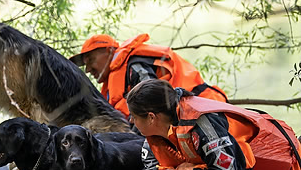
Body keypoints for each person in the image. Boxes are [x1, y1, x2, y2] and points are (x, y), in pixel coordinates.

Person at [126, 79, 301, 170]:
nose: (131, 122)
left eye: (133, 116)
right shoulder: (154, 137)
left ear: (151, 117)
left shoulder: (202, 123)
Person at [70, 34, 228, 119]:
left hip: (207, 112)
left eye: (90, 60)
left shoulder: (134, 65)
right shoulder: (117, 77)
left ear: (110, 50)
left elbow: (152, 102)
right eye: (85, 65)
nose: (88, 69)